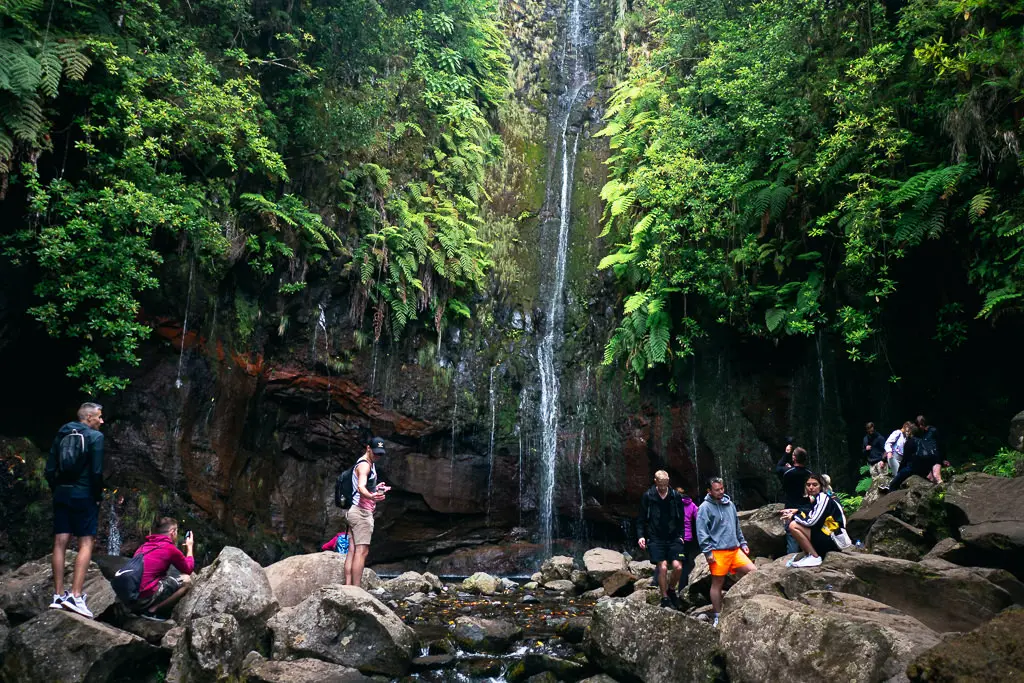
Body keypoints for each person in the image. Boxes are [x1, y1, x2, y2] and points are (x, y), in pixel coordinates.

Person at [45, 402, 105, 618]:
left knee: (60, 542)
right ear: (89, 418)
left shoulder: (62, 433)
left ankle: (58, 596)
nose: (101, 421)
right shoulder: (95, 437)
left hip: (62, 493)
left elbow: (50, 468)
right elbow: (96, 472)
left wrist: (57, 489)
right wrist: (97, 497)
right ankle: (76, 596)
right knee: (86, 542)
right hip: (84, 494)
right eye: (99, 416)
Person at [696, 477, 756, 627]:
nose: (721, 492)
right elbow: (702, 532)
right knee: (717, 583)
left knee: (754, 573)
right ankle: (718, 616)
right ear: (709, 491)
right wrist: (707, 553)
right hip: (717, 552)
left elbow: (736, 525)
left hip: (735, 550)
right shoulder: (704, 508)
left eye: (722, 489)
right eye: (717, 490)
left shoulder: (730, 504)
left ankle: (750, 607)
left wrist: (743, 542)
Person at [345, 436, 390, 588]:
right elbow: (361, 487)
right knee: (362, 551)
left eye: (380, 453)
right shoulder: (365, 466)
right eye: (375, 452)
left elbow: (364, 485)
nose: (378, 456)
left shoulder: (366, 462)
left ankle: (348, 585)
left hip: (353, 511)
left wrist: (376, 488)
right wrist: (372, 496)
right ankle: (356, 589)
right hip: (361, 513)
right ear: (368, 448)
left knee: (352, 549)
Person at [128, 518, 195, 620]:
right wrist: (189, 547)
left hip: (129, 596)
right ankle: (153, 610)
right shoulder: (169, 548)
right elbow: (188, 569)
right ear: (172, 532)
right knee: (187, 580)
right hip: (143, 598)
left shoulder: (143, 547)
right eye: (176, 531)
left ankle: (138, 607)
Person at [637, 471, 686, 608]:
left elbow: (681, 518)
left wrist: (682, 535)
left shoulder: (675, 496)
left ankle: (671, 589)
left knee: (678, 567)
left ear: (668, 481)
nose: (664, 487)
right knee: (663, 567)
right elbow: (641, 518)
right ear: (655, 481)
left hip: (673, 536)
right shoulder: (648, 496)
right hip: (655, 537)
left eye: (666, 484)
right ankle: (664, 598)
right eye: (661, 484)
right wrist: (641, 536)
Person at [782, 473, 848, 567]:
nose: (811, 487)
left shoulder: (823, 497)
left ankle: (814, 557)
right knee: (796, 523)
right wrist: (798, 511)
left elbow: (812, 521)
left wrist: (793, 516)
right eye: (808, 485)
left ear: (821, 486)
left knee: (793, 525)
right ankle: (809, 555)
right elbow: (812, 513)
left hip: (834, 540)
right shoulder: (818, 498)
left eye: (815, 484)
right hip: (828, 536)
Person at [777, 447, 810, 554]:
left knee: (792, 537)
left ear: (794, 458)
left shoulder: (787, 473)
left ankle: (791, 561)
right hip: (806, 510)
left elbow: (778, 468)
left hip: (790, 510)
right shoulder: (810, 474)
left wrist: (786, 453)